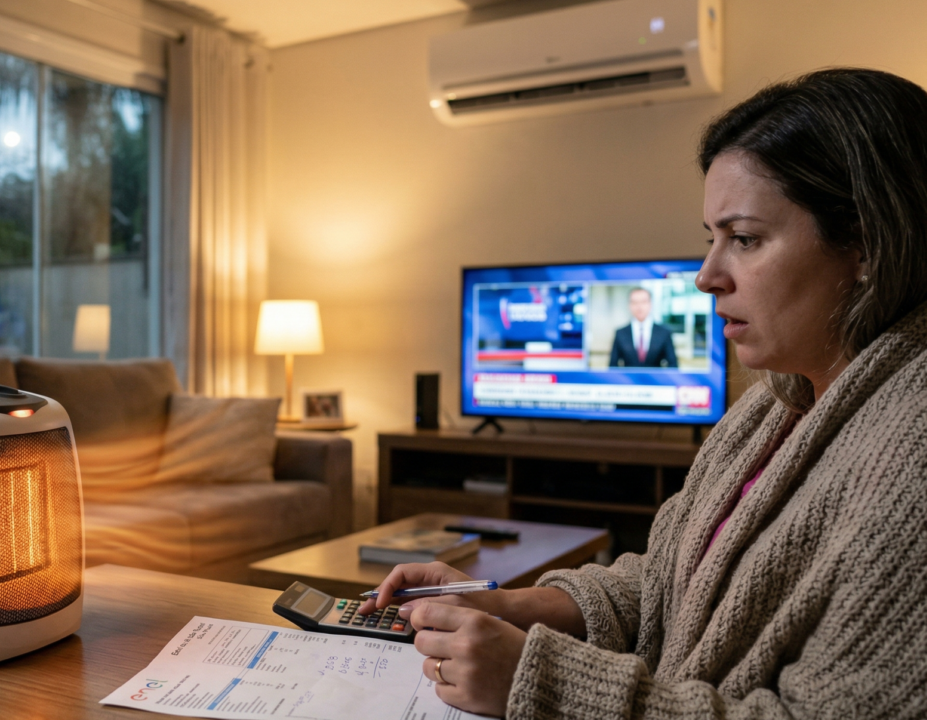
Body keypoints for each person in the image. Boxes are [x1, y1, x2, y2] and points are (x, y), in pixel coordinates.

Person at [359, 68, 927, 718]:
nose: (706, 276)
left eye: (744, 239)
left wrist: (542, 681)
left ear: (866, 244)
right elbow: (669, 581)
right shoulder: (771, 405)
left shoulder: (912, 453)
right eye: (711, 240)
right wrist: (507, 604)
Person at [607, 287, 679, 368]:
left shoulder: (664, 332)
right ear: (629, 305)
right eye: (635, 302)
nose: (639, 306)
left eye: (643, 302)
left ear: (650, 304)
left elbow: (673, 365)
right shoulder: (620, 333)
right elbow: (612, 366)